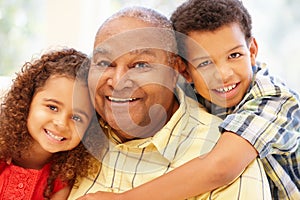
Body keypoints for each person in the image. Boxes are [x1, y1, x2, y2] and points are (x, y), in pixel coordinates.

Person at [83, 1, 299, 200]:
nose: (222, 74)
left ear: (252, 51)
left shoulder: (273, 99)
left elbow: (220, 167)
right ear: (184, 71)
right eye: (205, 63)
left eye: (234, 55)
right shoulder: (191, 86)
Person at [0, 48, 103, 199]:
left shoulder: (63, 177)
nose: (61, 123)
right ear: (27, 102)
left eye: (77, 118)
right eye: (52, 107)